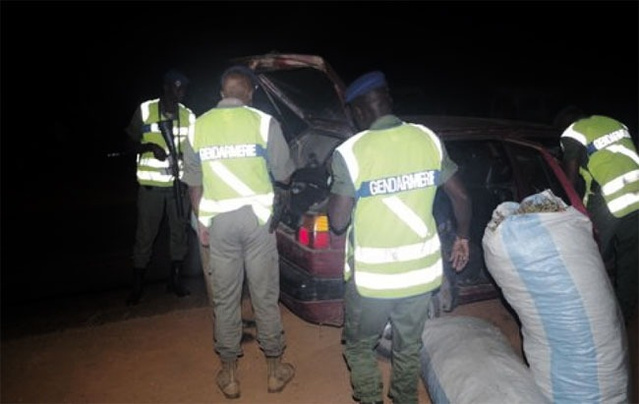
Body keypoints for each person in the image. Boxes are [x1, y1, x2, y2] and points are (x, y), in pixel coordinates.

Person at [328, 71, 472, 404]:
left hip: (373, 281)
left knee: (359, 345)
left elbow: (337, 222)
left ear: (358, 112)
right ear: (389, 100)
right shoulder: (427, 138)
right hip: (421, 276)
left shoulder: (350, 153)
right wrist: (463, 237)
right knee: (409, 348)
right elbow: (462, 197)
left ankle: (370, 399)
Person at [182, 65, 296, 399]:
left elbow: (194, 184)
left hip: (219, 223)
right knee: (264, 296)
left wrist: (202, 221)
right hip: (257, 222)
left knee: (225, 298)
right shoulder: (263, 122)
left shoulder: (197, 127)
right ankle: (275, 371)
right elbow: (286, 176)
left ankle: (229, 376)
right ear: (250, 93)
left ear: (222, 93)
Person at [556, 106, 639, 324]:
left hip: (608, 200)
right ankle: (624, 315)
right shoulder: (614, 123)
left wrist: (564, 208)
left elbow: (570, 177)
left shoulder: (572, 133)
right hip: (636, 195)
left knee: (589, 258)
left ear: (567, 123)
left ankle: (587, 313)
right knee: (630, 260)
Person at [124, 69, 195, 305]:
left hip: (178, 187)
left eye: (184, 88)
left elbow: (194, 152)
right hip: (151, 187)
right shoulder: (146, 110)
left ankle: (175, 280)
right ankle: (137, 284)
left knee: (179, 234)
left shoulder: (188, 115)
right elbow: (129, 141)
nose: (181, 93)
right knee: (145, 236)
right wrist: (149, 148)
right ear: (165, 88)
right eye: (177, 88)